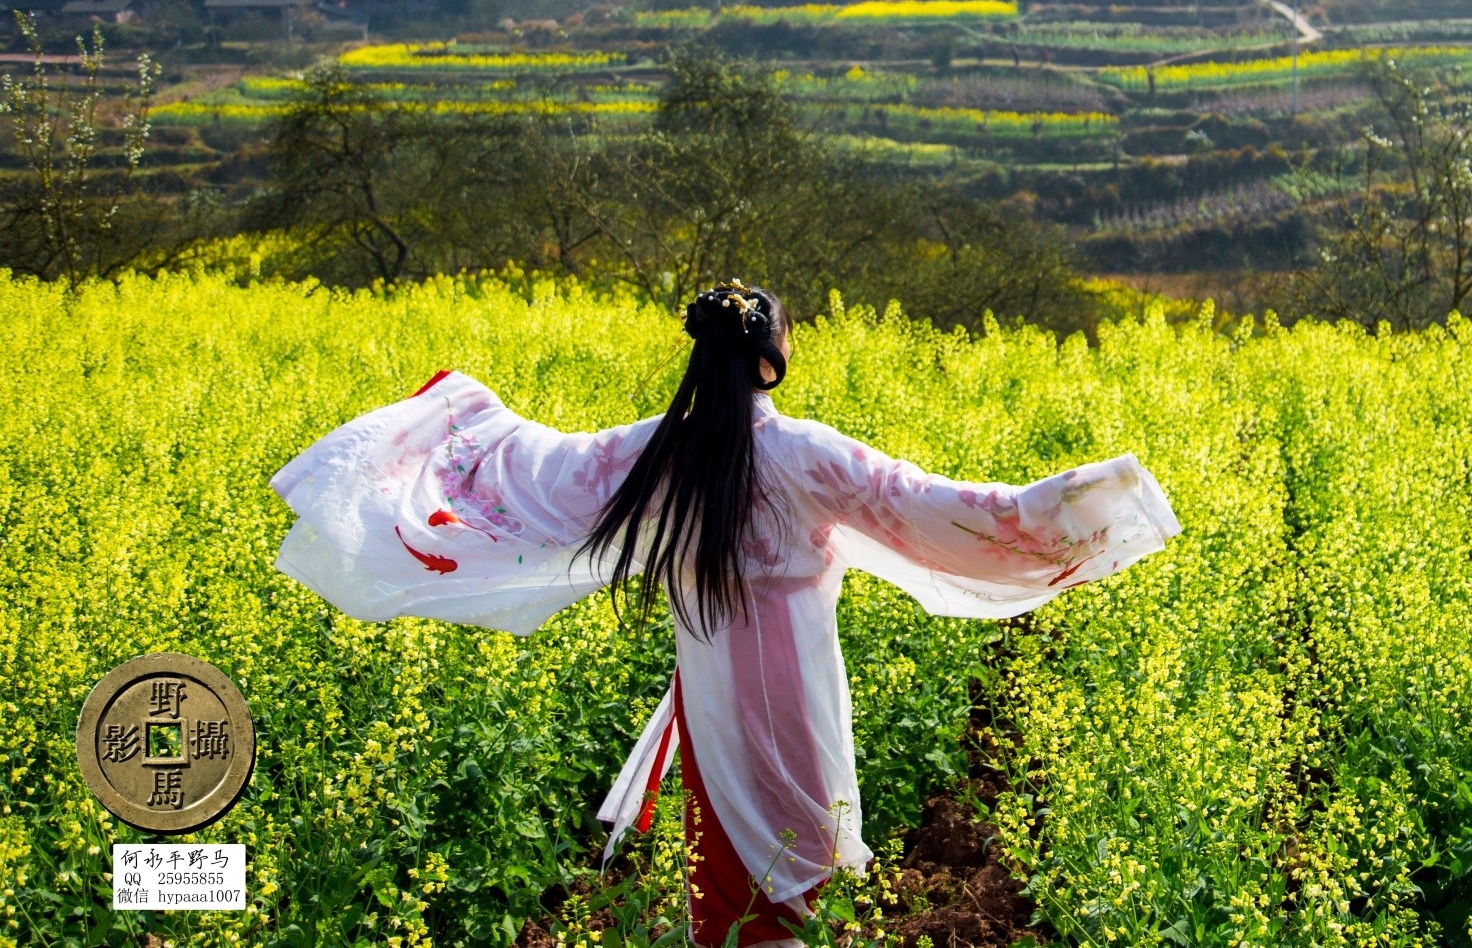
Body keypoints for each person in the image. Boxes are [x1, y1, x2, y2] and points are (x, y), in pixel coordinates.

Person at [269, 279, 1182, 947]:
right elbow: (949, 510)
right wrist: (1079, 500)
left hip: (708, 681)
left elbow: (524, 472)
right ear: (771, 360)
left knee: (728, 868)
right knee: (798, 849)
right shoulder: (805, 453)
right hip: (793, 677)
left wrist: (459, 417)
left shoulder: (648, 455)